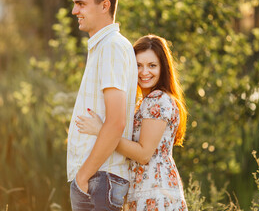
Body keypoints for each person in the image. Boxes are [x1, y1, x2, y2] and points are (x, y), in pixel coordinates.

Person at [76, 35, 188, 210]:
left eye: (152, 65)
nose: (144, 72)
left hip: (156, 194)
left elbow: (144, 154)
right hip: (147, 191)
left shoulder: (157, 100)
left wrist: (103, 131)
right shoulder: (143, 102)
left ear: (163, 68)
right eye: (138, 66)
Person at [67, 0, 138, 211]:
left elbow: (116, 121)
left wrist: (82, 178)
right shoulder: (103, 47)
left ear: (104, 5)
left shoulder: (111, 47)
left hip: (100, 181)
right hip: (97, 180)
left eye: (81, 4)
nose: (74, 11)